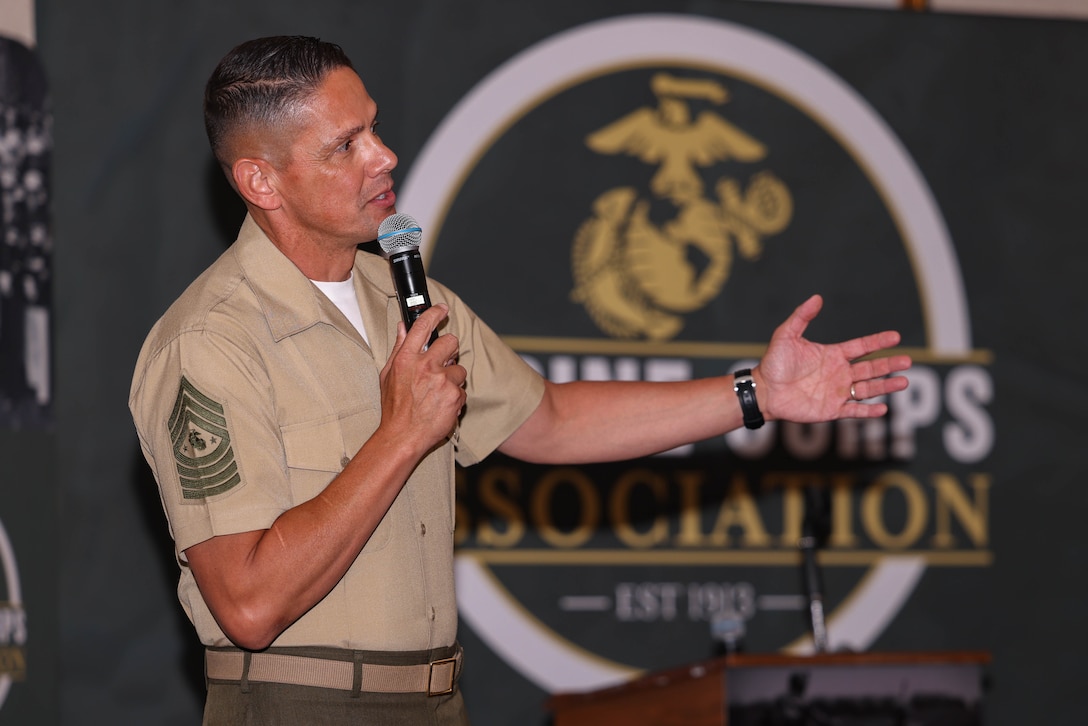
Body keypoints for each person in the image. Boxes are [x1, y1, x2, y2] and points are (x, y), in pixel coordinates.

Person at [128, 35, 911, 726]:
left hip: (436, 699)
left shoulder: (409, 299)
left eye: (374, 127)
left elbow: (554, 420)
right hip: (297, 705)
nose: (384, 156)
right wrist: (401, 434)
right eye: (346, 145)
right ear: (261, 182)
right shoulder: (211, 340)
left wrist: (755, 395)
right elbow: (252, 604)